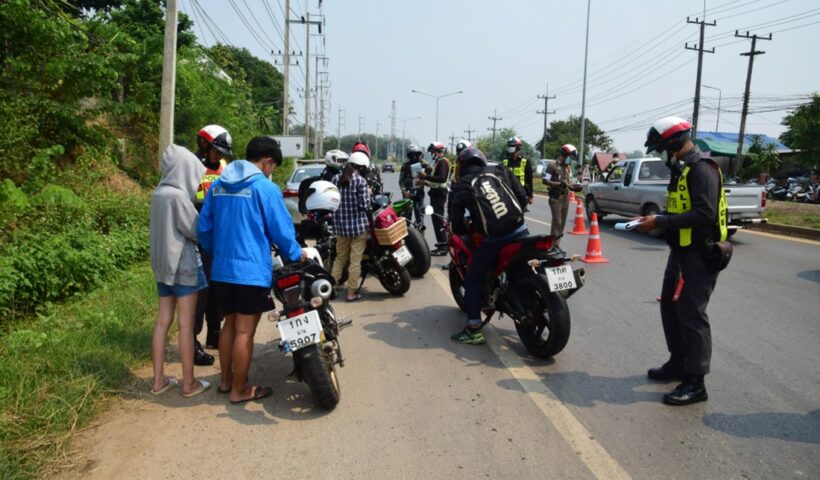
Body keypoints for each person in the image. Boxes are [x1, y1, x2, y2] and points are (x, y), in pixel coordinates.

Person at [198, 136, 307, 404]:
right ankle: (239, 390)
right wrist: (295, 254)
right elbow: (281, 231)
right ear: (267, 161)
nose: (271, 172)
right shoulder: (264, 188)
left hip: (222, 271)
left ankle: (225, 382)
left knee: (229, 325)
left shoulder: (218, 185)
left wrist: (219, 253)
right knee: (245, 331)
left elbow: (204, 229)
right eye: (272, 167)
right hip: (250, 273)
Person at [636, 116, 728, 406]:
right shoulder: (682, 167)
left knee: (691, 315)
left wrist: (659, 221)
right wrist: (655, 222)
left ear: (675, 141)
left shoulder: (701, 169)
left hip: (700, 254)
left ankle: (696, 381)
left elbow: (704, 214)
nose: (664, 153)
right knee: (671, 310)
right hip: (681, 251)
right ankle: (678, 363)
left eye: (664, 147)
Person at [447, 147, 529, 345]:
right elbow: (522, 198)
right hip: (521, 230)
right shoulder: (500, 170)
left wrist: (468, 227)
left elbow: (457, 225)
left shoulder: (464, 185)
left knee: (473, 278)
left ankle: (473, 328)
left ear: (462, 165)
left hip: (495, 240)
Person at [149, 144, 211, 398]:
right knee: (186, 325)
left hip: (162, 268)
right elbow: (194, 231)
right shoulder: (178, 197)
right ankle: (189, 384)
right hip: (184, 266)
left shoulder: (158, 194)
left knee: (163, 322)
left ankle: (158, 380)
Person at [192, 125, 233, 365]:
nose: (219, 156)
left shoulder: (224, 167)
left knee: (218, 286)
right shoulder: (193, 167)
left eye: (222, 152)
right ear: (204, 145)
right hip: (198, 235)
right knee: (201, 290)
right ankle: (192, 340)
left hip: (220, 235)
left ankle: (214, 332)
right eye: (216, 151)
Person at [330, 151, 372, 302]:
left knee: (340, 258)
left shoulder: (335, 179)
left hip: (341, 227)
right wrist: (368, 193)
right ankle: (351, 293)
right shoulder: (360, 182)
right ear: (361, 167)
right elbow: (365, 205)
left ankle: (330, 288)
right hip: (358, 228)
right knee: (355, 261)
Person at [542, 144, 583, 251]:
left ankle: (556, 246)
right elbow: (545, 181)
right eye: (571, 157)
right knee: (557, 222)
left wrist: (574, 187)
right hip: (556, 198)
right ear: (565, 155)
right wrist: (558, 184)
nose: (571, 160)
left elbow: (568, 183)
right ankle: (551, 246)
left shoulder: (567, 167)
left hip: (566, 197)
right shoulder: (552, 165)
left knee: (562, 224)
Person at [418, 141, 450, 255]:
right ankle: (440, 245)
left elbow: (441, 178)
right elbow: (434, 181)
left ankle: (444, 247)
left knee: (438, 220)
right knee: (435, 220)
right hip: (435, 193)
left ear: (437, 151)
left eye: (432, 151)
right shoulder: (438, 162)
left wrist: (426, 177)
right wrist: (425, 182)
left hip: (439, 194)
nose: (432, 153)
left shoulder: (443, 162)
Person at [399, 144, 429, 226]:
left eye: (416, 154)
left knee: (420, 218)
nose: (414, 157)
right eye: (412, 155)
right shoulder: (405, 165)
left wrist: (425, 180)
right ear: (409, 156)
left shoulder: (424, 164)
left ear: (419, 154)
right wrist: (404, 191)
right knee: (406, 218)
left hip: (419, 194)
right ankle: (407, 237)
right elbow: (401, 180)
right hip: (408, 194)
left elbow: (431, 177)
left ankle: (420, 236)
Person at [502, 137, 534, 205]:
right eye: (509, 145)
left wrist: (530, 195)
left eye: (512, 146)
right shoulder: (505, 161)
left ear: (518, 147)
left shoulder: (525, 161)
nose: (510, 147)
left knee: (519, 213)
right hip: (508, 192)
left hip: (521, 192)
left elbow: (529, 179)